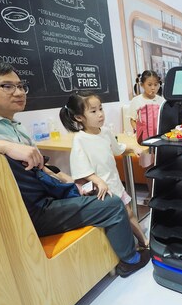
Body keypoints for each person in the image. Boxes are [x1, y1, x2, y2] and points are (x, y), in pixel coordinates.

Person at [0, 59, 150, 278]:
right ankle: (131, 260)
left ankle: (131, 244)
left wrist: (62, 176)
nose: (19, 92)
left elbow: (40, 167)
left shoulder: (14, 126)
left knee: (100, 192)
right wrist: (4, 146)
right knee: (113, 203)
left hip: (47, 194)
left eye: (21, 85)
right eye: (7, 86)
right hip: (32, 211)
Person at [60, 91, 149, 249]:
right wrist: (98, 181)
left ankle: (144, 241)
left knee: (128, 213)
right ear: (79, 117)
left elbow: (117, 148)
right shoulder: (80, 139)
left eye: (101, 109)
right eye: (93, 111)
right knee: (118, 219)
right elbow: (81, 169)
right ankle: (127, 248)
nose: (100, 114)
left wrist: (133, 147)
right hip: (102, 191)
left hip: (115, 183)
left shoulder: (106, 132)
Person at [129, 70, 165, 204]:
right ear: (142, 84)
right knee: (149, 168)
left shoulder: (162, 100)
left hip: (160, 140)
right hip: (144, 141)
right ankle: (151, 194)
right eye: (150, 84)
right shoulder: (136, 101)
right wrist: (136, 130)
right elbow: (132, 119)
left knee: (161, 167)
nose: (153, 88)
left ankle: (162, 193)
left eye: (156, 84)